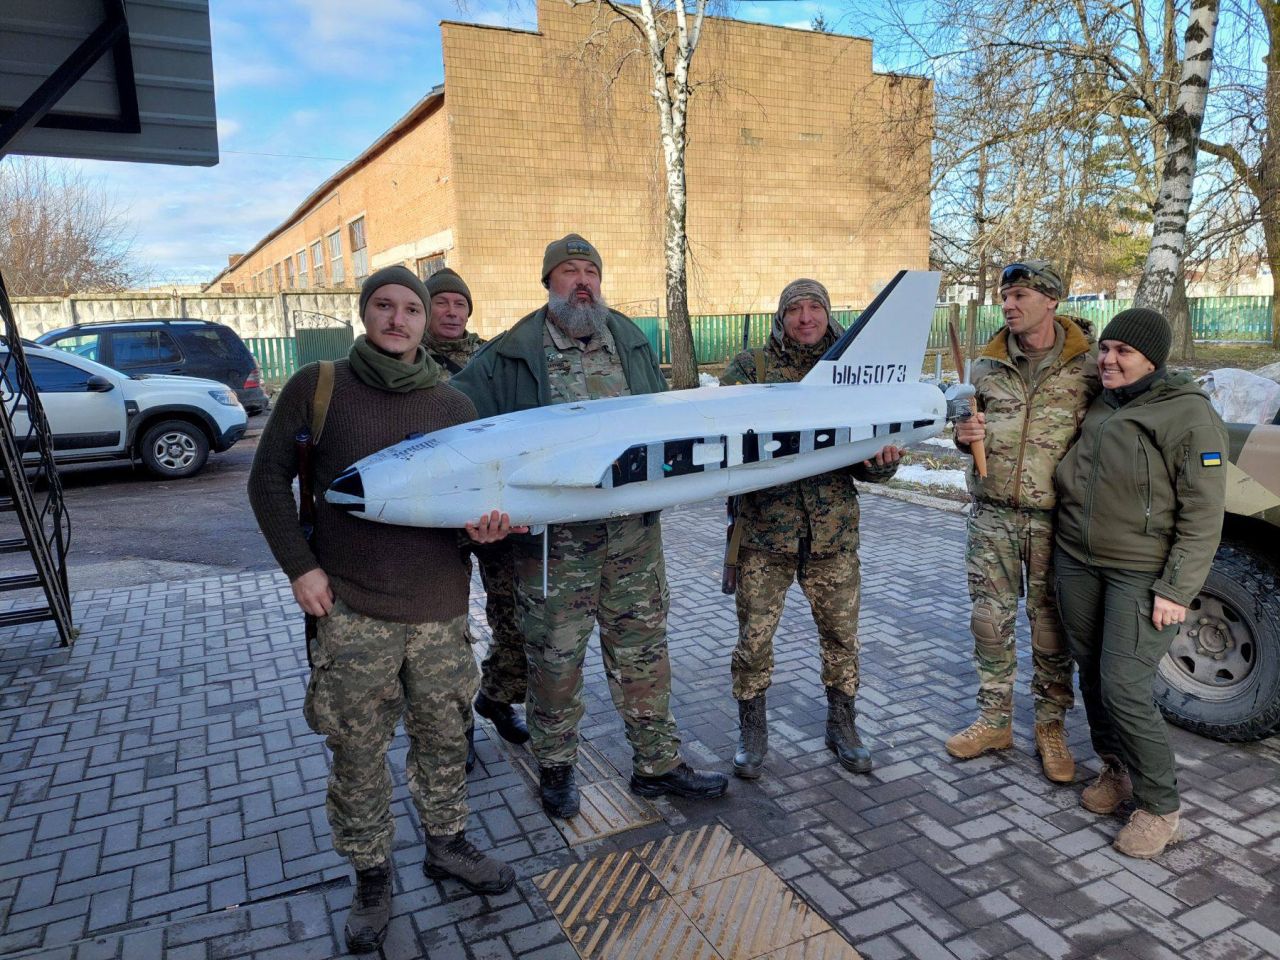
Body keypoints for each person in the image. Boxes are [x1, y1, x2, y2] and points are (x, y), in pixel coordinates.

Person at [249, 266, 518, 955]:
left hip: (439, 610)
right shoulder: (319, 387)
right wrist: (301, 567)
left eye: (411, 310)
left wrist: (482, 532)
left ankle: (447, 845)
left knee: (444, 739)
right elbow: (267, 479)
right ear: (364, 313)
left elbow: (466, 506)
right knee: (358, 751)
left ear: (426, 321)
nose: (398, 320)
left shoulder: (453, 406)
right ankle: (371, 876)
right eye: (384, 306)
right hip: (353, 610)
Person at [451, 233, 729, 818]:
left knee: (643, 652)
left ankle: (657, 765)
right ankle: (556, 767)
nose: (582, 281)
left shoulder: (630, 341)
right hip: (554, 546)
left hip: (632, 537)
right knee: (555, 660)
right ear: (548, 282)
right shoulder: (510, 355)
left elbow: (659, 423)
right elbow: (453, 427)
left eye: (591, 271)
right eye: (570, 271)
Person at [1053, 308, 1226, 859]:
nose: (1107, 360)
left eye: (1123, 351)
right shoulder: (1105, 401)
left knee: (1124, 686)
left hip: (1141, 570)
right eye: (1105, 348)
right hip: (1077, 559)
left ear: (1153, 360)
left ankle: (1160, 806)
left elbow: (1204, 513)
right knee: (1092, 675)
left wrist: (1176, 589)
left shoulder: (1188, 414)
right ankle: (1116, 768)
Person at [720, 279, 900, 778]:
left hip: (832, 537)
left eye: (814, 307)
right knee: (754, 642)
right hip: (764, 537)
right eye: (795, 309)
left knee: (842, 638)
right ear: (781, 317)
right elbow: (724, 441)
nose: (805, 318)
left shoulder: (854, 373)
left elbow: (868, 461)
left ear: (827, 313)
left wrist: (883, 461)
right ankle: (752, 732)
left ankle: (842, 725)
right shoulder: (751, 368)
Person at [947, 260, 1099, 784]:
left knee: (1052, 627)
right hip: (992, 517)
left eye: (1019, 296)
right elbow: (966, 429)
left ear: (1051, 301)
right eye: (1005, 297)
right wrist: (963, 436)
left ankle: (1050, 727)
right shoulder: (986, 366)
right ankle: (994, 721)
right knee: (989, 623)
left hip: (1057, 521)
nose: (1008, 305)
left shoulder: (1088, 367)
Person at [423, 268, 530, 766]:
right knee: (444, 630)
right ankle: (456, 727)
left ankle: (497, 697)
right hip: (433, 517)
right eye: (440, 302)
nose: (451, 312)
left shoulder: (492, 358)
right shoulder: (408, 360)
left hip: (491, 511)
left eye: (459, 304)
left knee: (514, 616)